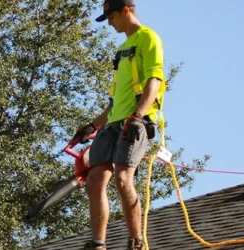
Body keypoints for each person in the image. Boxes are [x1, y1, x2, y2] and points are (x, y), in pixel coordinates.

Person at [74, 0, 166, 249]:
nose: (110, 22)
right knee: (94, 179)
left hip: (136, 122)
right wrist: (91, 126)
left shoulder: (148, 38)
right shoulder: (123, 48)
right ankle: (98, 244)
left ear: (126, 11)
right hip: (113, 123)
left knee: (123, 178)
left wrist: (138, 116)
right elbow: (115, 103)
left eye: (111, 16)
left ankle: (136, 241)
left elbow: (154, 80)